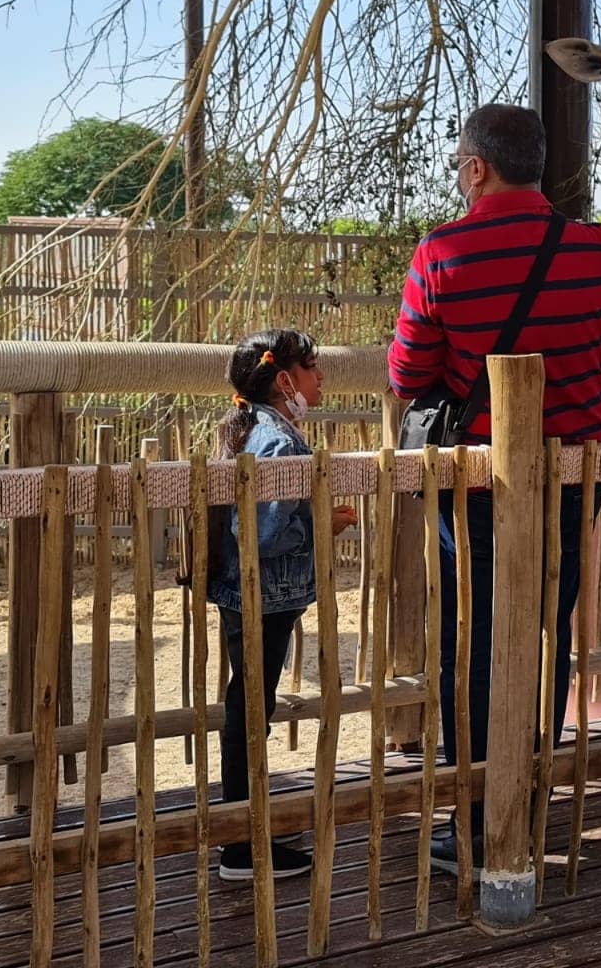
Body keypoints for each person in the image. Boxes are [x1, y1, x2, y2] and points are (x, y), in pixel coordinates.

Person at [388, 104, 601, 877]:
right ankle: (528, 812)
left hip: (475, 481)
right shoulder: (593, 249)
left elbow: (407, 377)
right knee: (546, 634)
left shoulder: (439, 255)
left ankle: (473, 821)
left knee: (471, 639)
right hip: (569, 480)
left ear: (477, 168)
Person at [213, 328, 357, 882]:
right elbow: (267, 534)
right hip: (263, 593)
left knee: (249, 702)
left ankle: (244, 828)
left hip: (248, 590)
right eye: (313, 366)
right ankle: (241, 847)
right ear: (285, 379)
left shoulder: (256, 428)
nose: (320, 377)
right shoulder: (278, 440)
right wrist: (323, 524)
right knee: (251, 707)